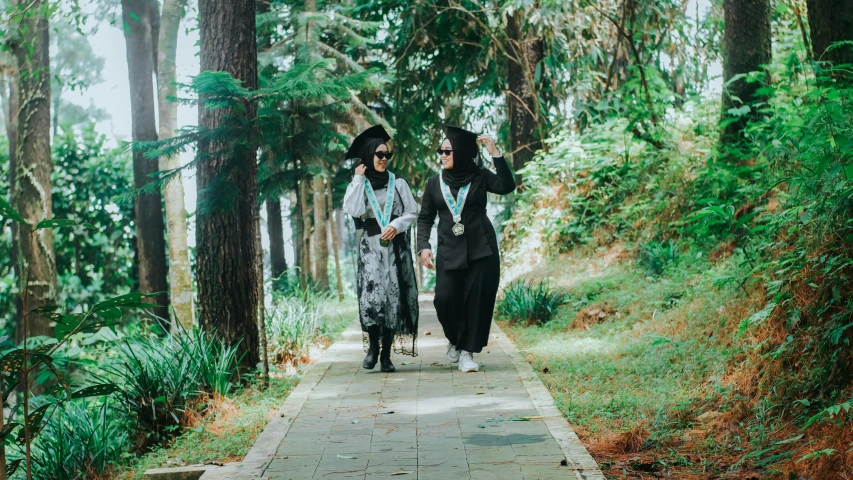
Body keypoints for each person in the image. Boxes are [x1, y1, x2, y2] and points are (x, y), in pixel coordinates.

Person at [417, 125, 516, 373]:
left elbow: (506, 185)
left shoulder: (480, 176)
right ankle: (456, 339)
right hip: (449, 250)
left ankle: (467, 352)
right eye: (441, 150)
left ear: (461, 152)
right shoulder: (434, 183)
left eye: (448, 151)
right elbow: (425, 218)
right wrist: (423, 246)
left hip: (481, 249)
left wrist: (494, 152)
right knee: (444, 299)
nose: (443, 155)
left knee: (476, 301)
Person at [343, 125, 419, 373]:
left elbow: (412, 211)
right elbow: (353, 210)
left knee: (393, 300)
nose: (384, 159)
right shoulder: (359, 183)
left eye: (387, 155)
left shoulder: (398, 183)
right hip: (370, 247)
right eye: (379, 155)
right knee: (371, 299)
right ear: (368, 156)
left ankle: (386, 355)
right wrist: (357, 178)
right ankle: (373, 347)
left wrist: (397, 225)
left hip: (395, 246)